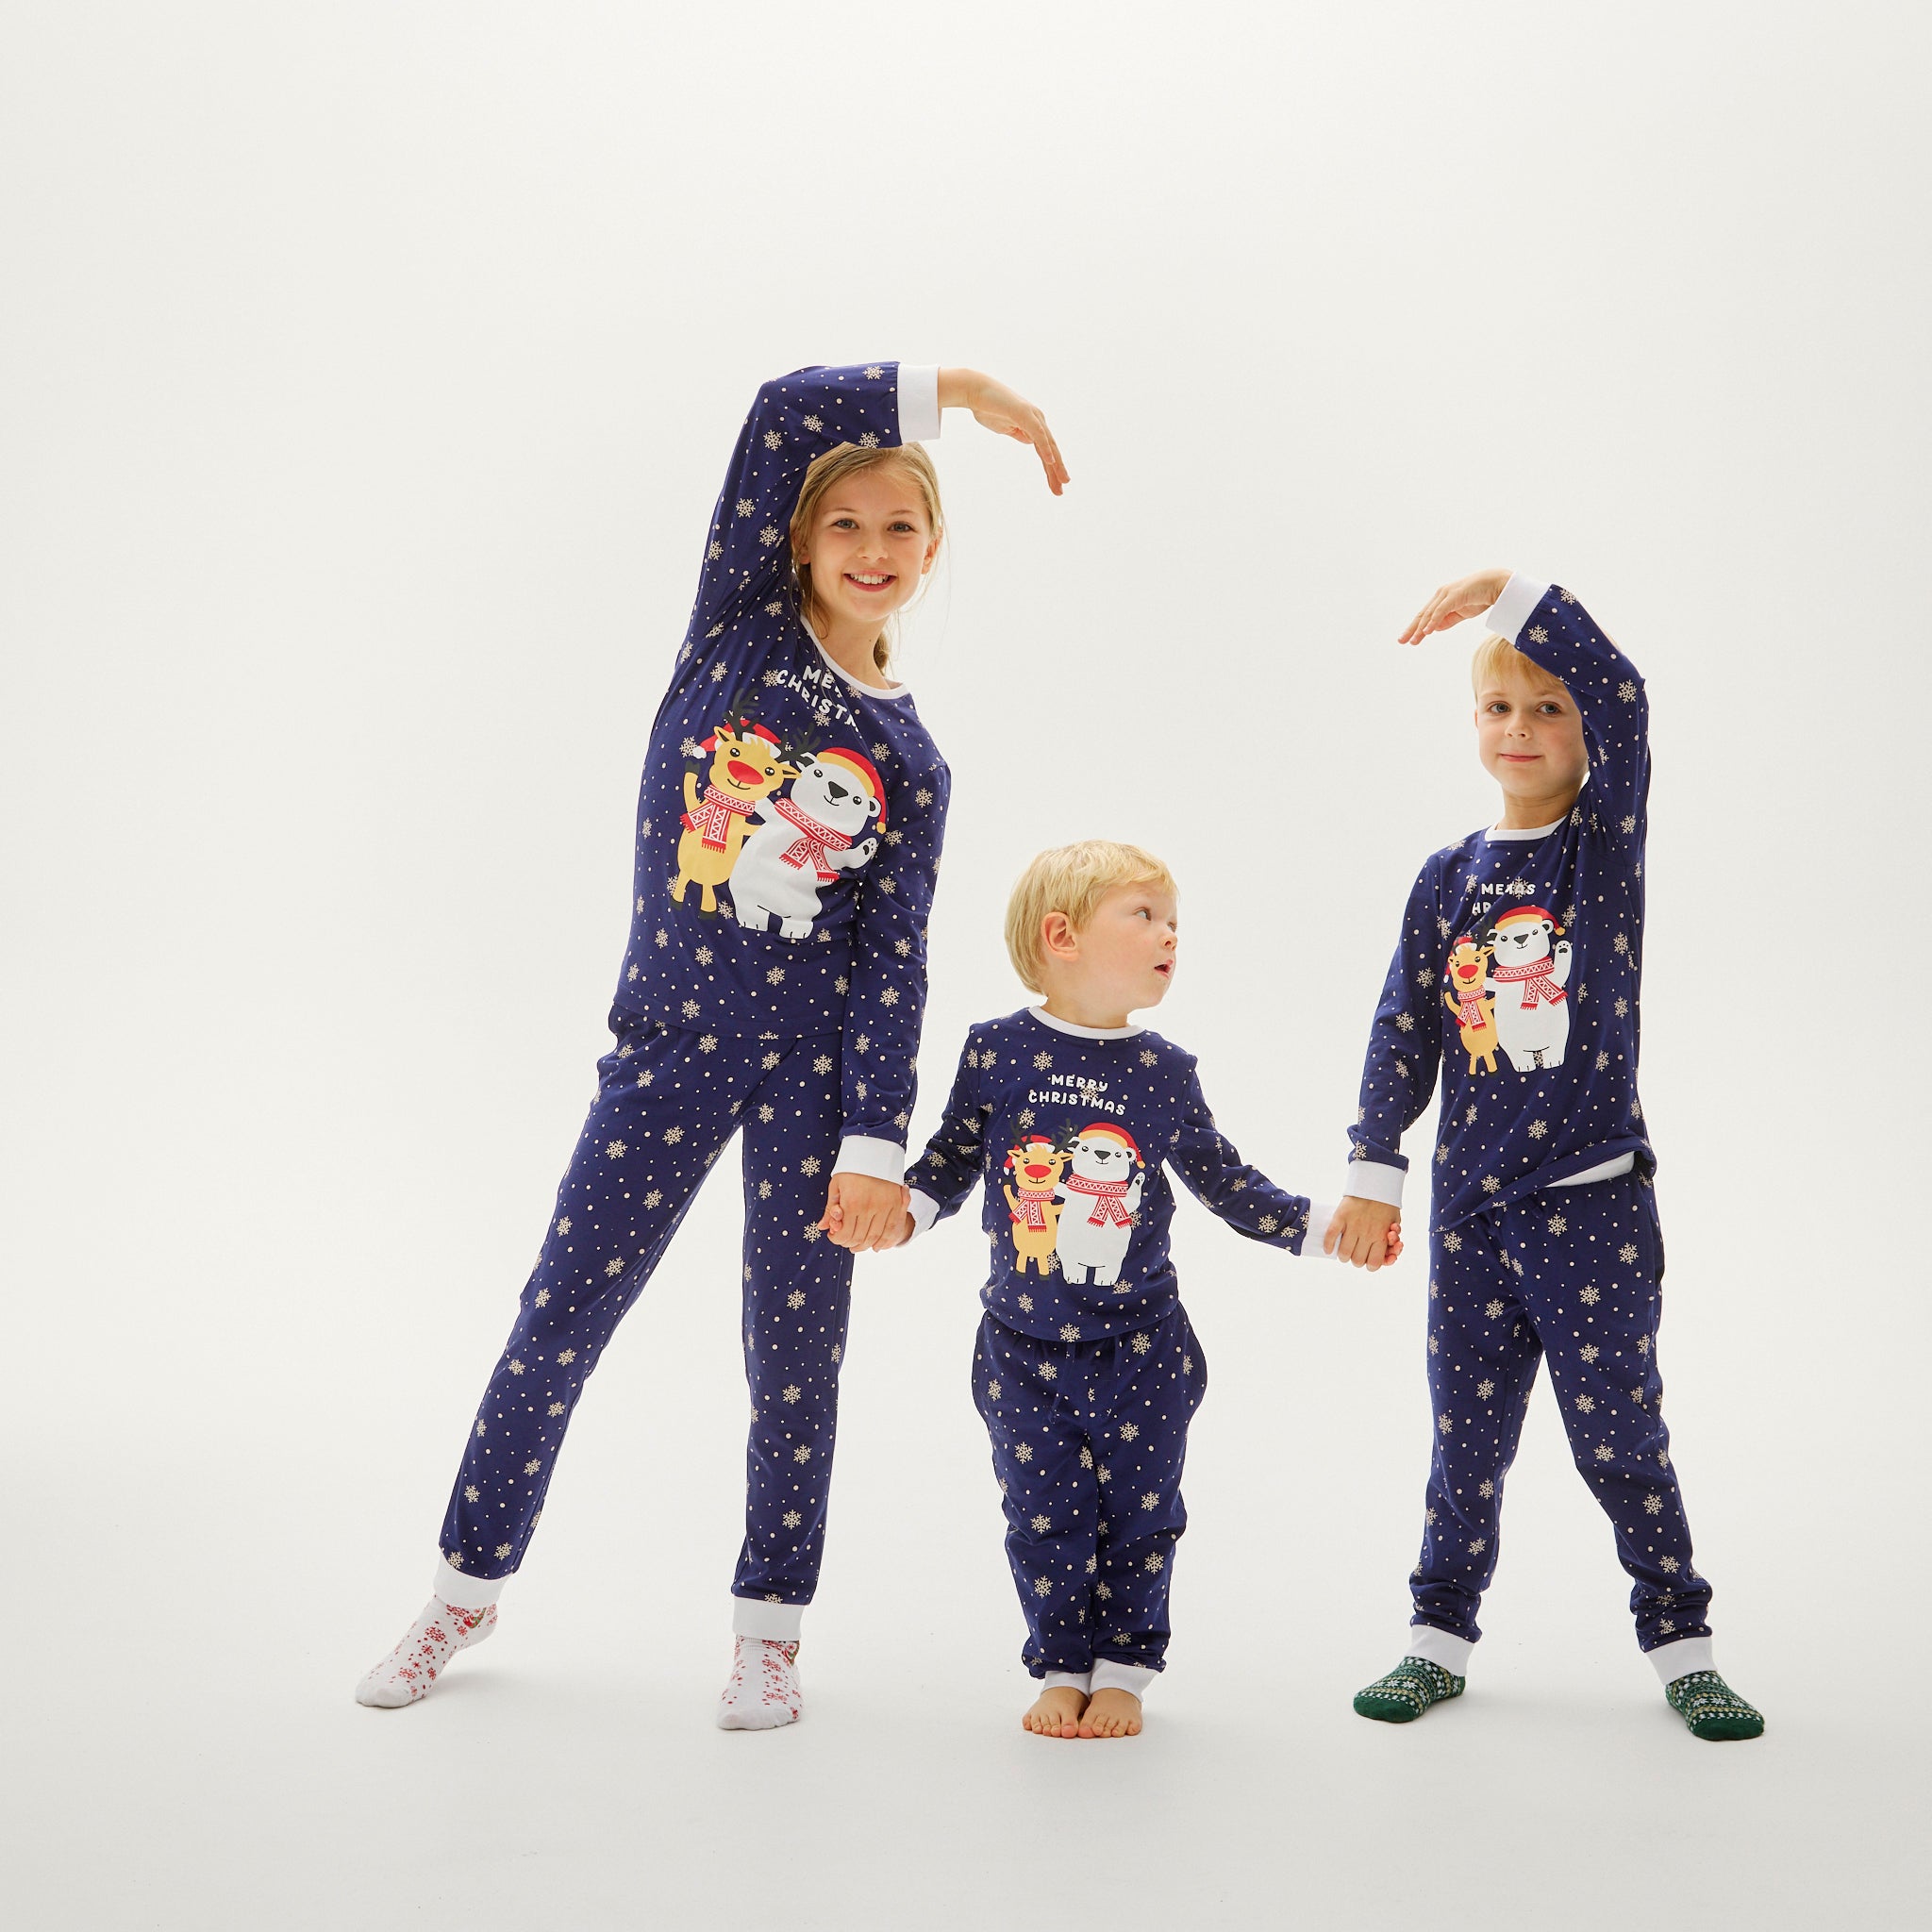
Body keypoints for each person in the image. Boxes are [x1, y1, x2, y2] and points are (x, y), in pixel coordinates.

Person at [356, 361, 1067, 1730]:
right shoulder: (735, 630)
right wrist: (962, 395)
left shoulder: (911, 763)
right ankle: (463, 1587)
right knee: (559, 1317)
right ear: (794, 537)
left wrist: (874, 1143)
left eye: (901, 528)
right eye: (845, 523)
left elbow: (894, 962)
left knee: (794, 1360)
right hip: (669, 1049)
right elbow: (782, 411)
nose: (871, 549)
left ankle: (768, 1632)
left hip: (813, 1076)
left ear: (932, 553)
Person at [1324, 569, 1764, 1741]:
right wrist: (1373, 1168)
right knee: (1462, 1444)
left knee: (1620, 1437)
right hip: (1471, 1218)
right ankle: (1434, 1640)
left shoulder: (1598, 850)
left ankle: (1681, 1646)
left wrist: (1509, 593)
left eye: (1547, 707)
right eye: (1497, 707)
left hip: (1589, 1209)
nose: (1519, 727)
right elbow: (1403, 1027)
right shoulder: (1445, 876)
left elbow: (1623, 691)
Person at [879, 841, 1398, 1739]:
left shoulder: (1164, 1071)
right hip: (1021, 1349)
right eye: (1146, 916)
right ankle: (1060, 1664)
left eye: (1174, 922)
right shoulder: (996, 1050)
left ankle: (1122, 1670)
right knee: (1042, 1515)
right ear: (1062, 937)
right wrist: (904, 1212)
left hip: (1142, 1351)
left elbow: (1227, 1184)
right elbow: (954, 1158)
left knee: (1142, 1514)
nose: (1170, 936)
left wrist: (1330, 1230)